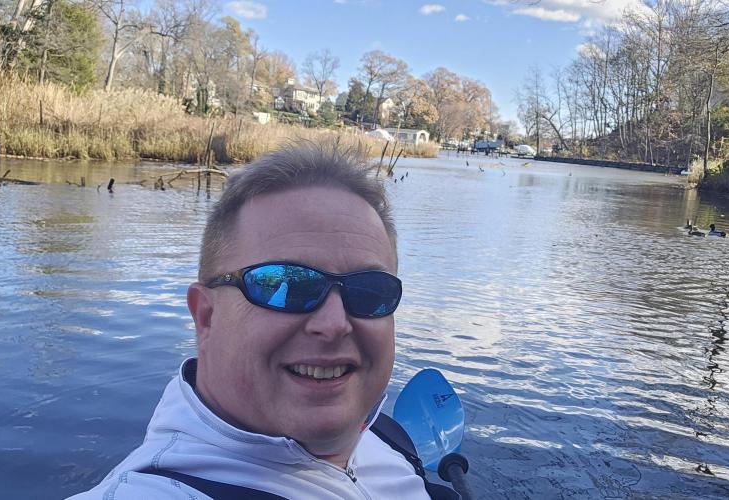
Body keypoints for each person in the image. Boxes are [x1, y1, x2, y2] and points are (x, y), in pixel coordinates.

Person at [69, 142, 456, 499]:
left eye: (369, 290)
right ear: (206, 316)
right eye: (285, 285)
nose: (334, 324)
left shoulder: (380, 436)